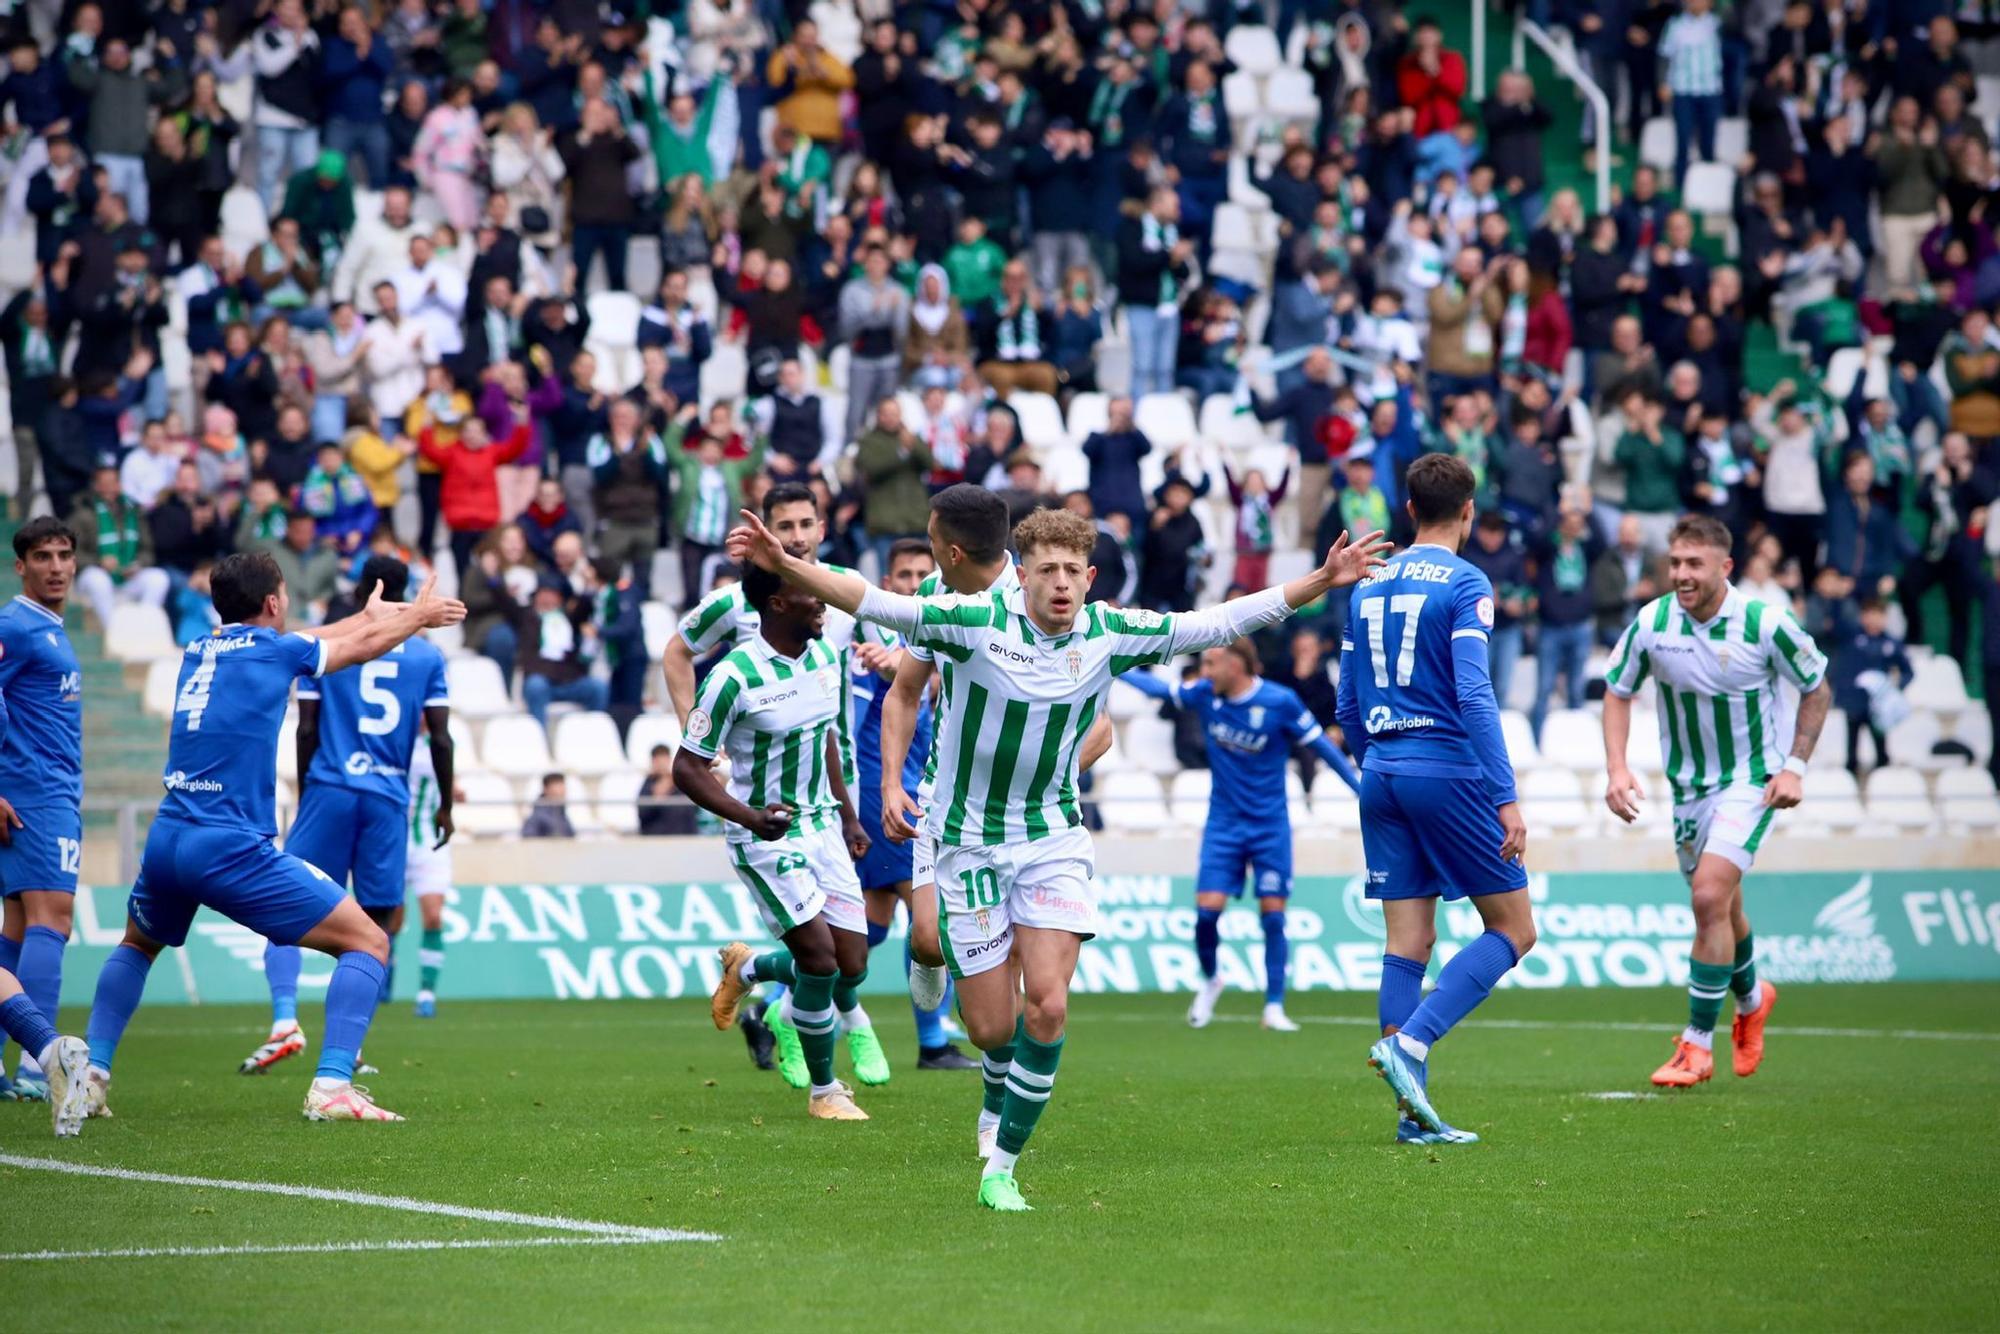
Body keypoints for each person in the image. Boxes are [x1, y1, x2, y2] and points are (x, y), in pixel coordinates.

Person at [727, 504, 1388, 1210]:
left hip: (1051, 841)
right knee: (990, 1030)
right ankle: (984, 1065)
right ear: (1024, 576)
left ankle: (1001, 1168)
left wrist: (1322, 579)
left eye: (1075, 570)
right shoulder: (975, 623)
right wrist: (785, 564)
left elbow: (1219, 622)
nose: (1063, 583)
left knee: (1047, 1005)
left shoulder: (1108, 633)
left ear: (1091, 576)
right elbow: (871, 600)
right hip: (969, 842)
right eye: (1048, 570)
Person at [80, 552, 466, 1124]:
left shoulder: (200, 650)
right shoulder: (279, 650)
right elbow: (351, 650)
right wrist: (417, 617)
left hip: (169, 837)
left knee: (138, 944)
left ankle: (91, 1075)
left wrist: (369, 614)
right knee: (369, 942)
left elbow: (316, 638)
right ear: (273, 603)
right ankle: (334, 1083)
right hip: (231, 846)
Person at [1336, 453, 1536, 1146]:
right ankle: (1411, 1046)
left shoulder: (1368, 584)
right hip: (1444, 770)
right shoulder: (1467, 581)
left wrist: (1378, 764)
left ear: (1410, 510)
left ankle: (1410, 1116)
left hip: (1382, 770)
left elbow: (1346, 699)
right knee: (1514, 929)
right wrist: (1505, 797)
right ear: (1470, 512)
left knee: (1408, 941)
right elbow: (1476, 694)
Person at [1602, 514, 1830, 1089]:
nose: (1680, 574)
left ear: (1724, 568)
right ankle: (1753, 998)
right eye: (1675, 562)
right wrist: (1618, 767)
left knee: (1707, 895)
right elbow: (1618, 690)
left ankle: (1697, 1046)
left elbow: (1817, 686)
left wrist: (1794, 767)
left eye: (1693, 564)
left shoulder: (1764, 622)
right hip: (1687, 790)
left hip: (1750, 781)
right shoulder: (1653, 622)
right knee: (1721, 908)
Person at [242, 558, 451, 1075]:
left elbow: (305, 728)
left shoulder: (336, 652)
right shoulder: (426, 658)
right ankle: (349, 1048)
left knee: (282, 903)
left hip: (330, 789)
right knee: (375, 924)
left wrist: (310, 786)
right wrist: (446, 802)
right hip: (385, 799)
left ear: (364, 592)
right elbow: (441, 735)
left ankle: (284, 1019)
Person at [687, 560, 876, 1123]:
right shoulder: (731, 676)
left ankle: (746, 969)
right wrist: (748, 816)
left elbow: (826, 739)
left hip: (825, 827)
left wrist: (847, 816)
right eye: (808, 593)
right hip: (767, 833)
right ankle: (826, 1092)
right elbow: (687, 768)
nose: (822, 601)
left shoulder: (823, 657)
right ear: (775, 603)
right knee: (818, 962)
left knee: (851, 966)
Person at [1118, 638, 1358, 1033]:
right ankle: (1212, 979)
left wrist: (1359, 790)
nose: (1205, 671)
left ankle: (1274, 1006)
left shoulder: (1280, 701)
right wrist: (1114, 667)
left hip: (1269, 826)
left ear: (1237, 664)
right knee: (1206, 915)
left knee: (1273, 917)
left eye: (1212, 662)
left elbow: (1322, 747)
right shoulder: (1204, 695)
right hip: (1223, 825)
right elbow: (1158, 689)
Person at [845, 538, 975, 1072]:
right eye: (903, 574)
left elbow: (947, 681)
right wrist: (881, 667)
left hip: (925, 785)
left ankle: (774, 993)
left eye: (924, 571)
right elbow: (850, 711)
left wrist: (906, 664)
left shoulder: (943, 631)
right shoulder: (865, 638)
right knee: (929, 914)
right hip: (885, 789)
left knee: (870, 924)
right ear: (890, 582)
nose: (913, 581)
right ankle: (932, 1043)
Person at [0, 519, 84, 1101]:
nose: (55, 566)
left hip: (40, 790)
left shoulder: (49, 629)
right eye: (42, 556)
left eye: (64, 555)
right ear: (20, 566)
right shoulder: (18, 624)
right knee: (53, 919)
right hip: (35, 792)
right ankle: (40, 1064)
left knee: (18, 926)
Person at [405, 725, 458, 1017]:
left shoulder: (442, 741)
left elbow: (447, 779)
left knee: (434, 916)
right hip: (393, 841)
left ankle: (426, 992)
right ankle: (382, 981)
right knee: (390, 922)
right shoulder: (395, 735)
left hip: (430, 843)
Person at [1830, 598, 1913, 777]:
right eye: (1871, 614)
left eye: (1879, 615)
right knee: (1852, 749)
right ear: (1863, 616)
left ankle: (1882, 783)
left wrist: (1895, 687)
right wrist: (1838, 597)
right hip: (1855, 702)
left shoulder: (1891, 643)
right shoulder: (1852, 638)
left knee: (1881, 749)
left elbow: (1908, 671)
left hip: (1878, 706)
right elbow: (1836, 626)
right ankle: (1850, 783)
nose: (1874, 619)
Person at [637, 745, 698, 837]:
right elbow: (642, 814)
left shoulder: (682, 781)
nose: (661, 764)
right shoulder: (648, 784)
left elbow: (693, 810)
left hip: (684, 838)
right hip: (656, 839)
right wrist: (656, 798)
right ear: (653, 762)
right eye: (658, 760)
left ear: (669, 760)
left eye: (664, 760)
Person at [520, 773, 575, 838]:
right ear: (546, 789)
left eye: (563, 786)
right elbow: (528, 837)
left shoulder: (561, 813)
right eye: (558, 786)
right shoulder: (538, 815)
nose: (563, 790)